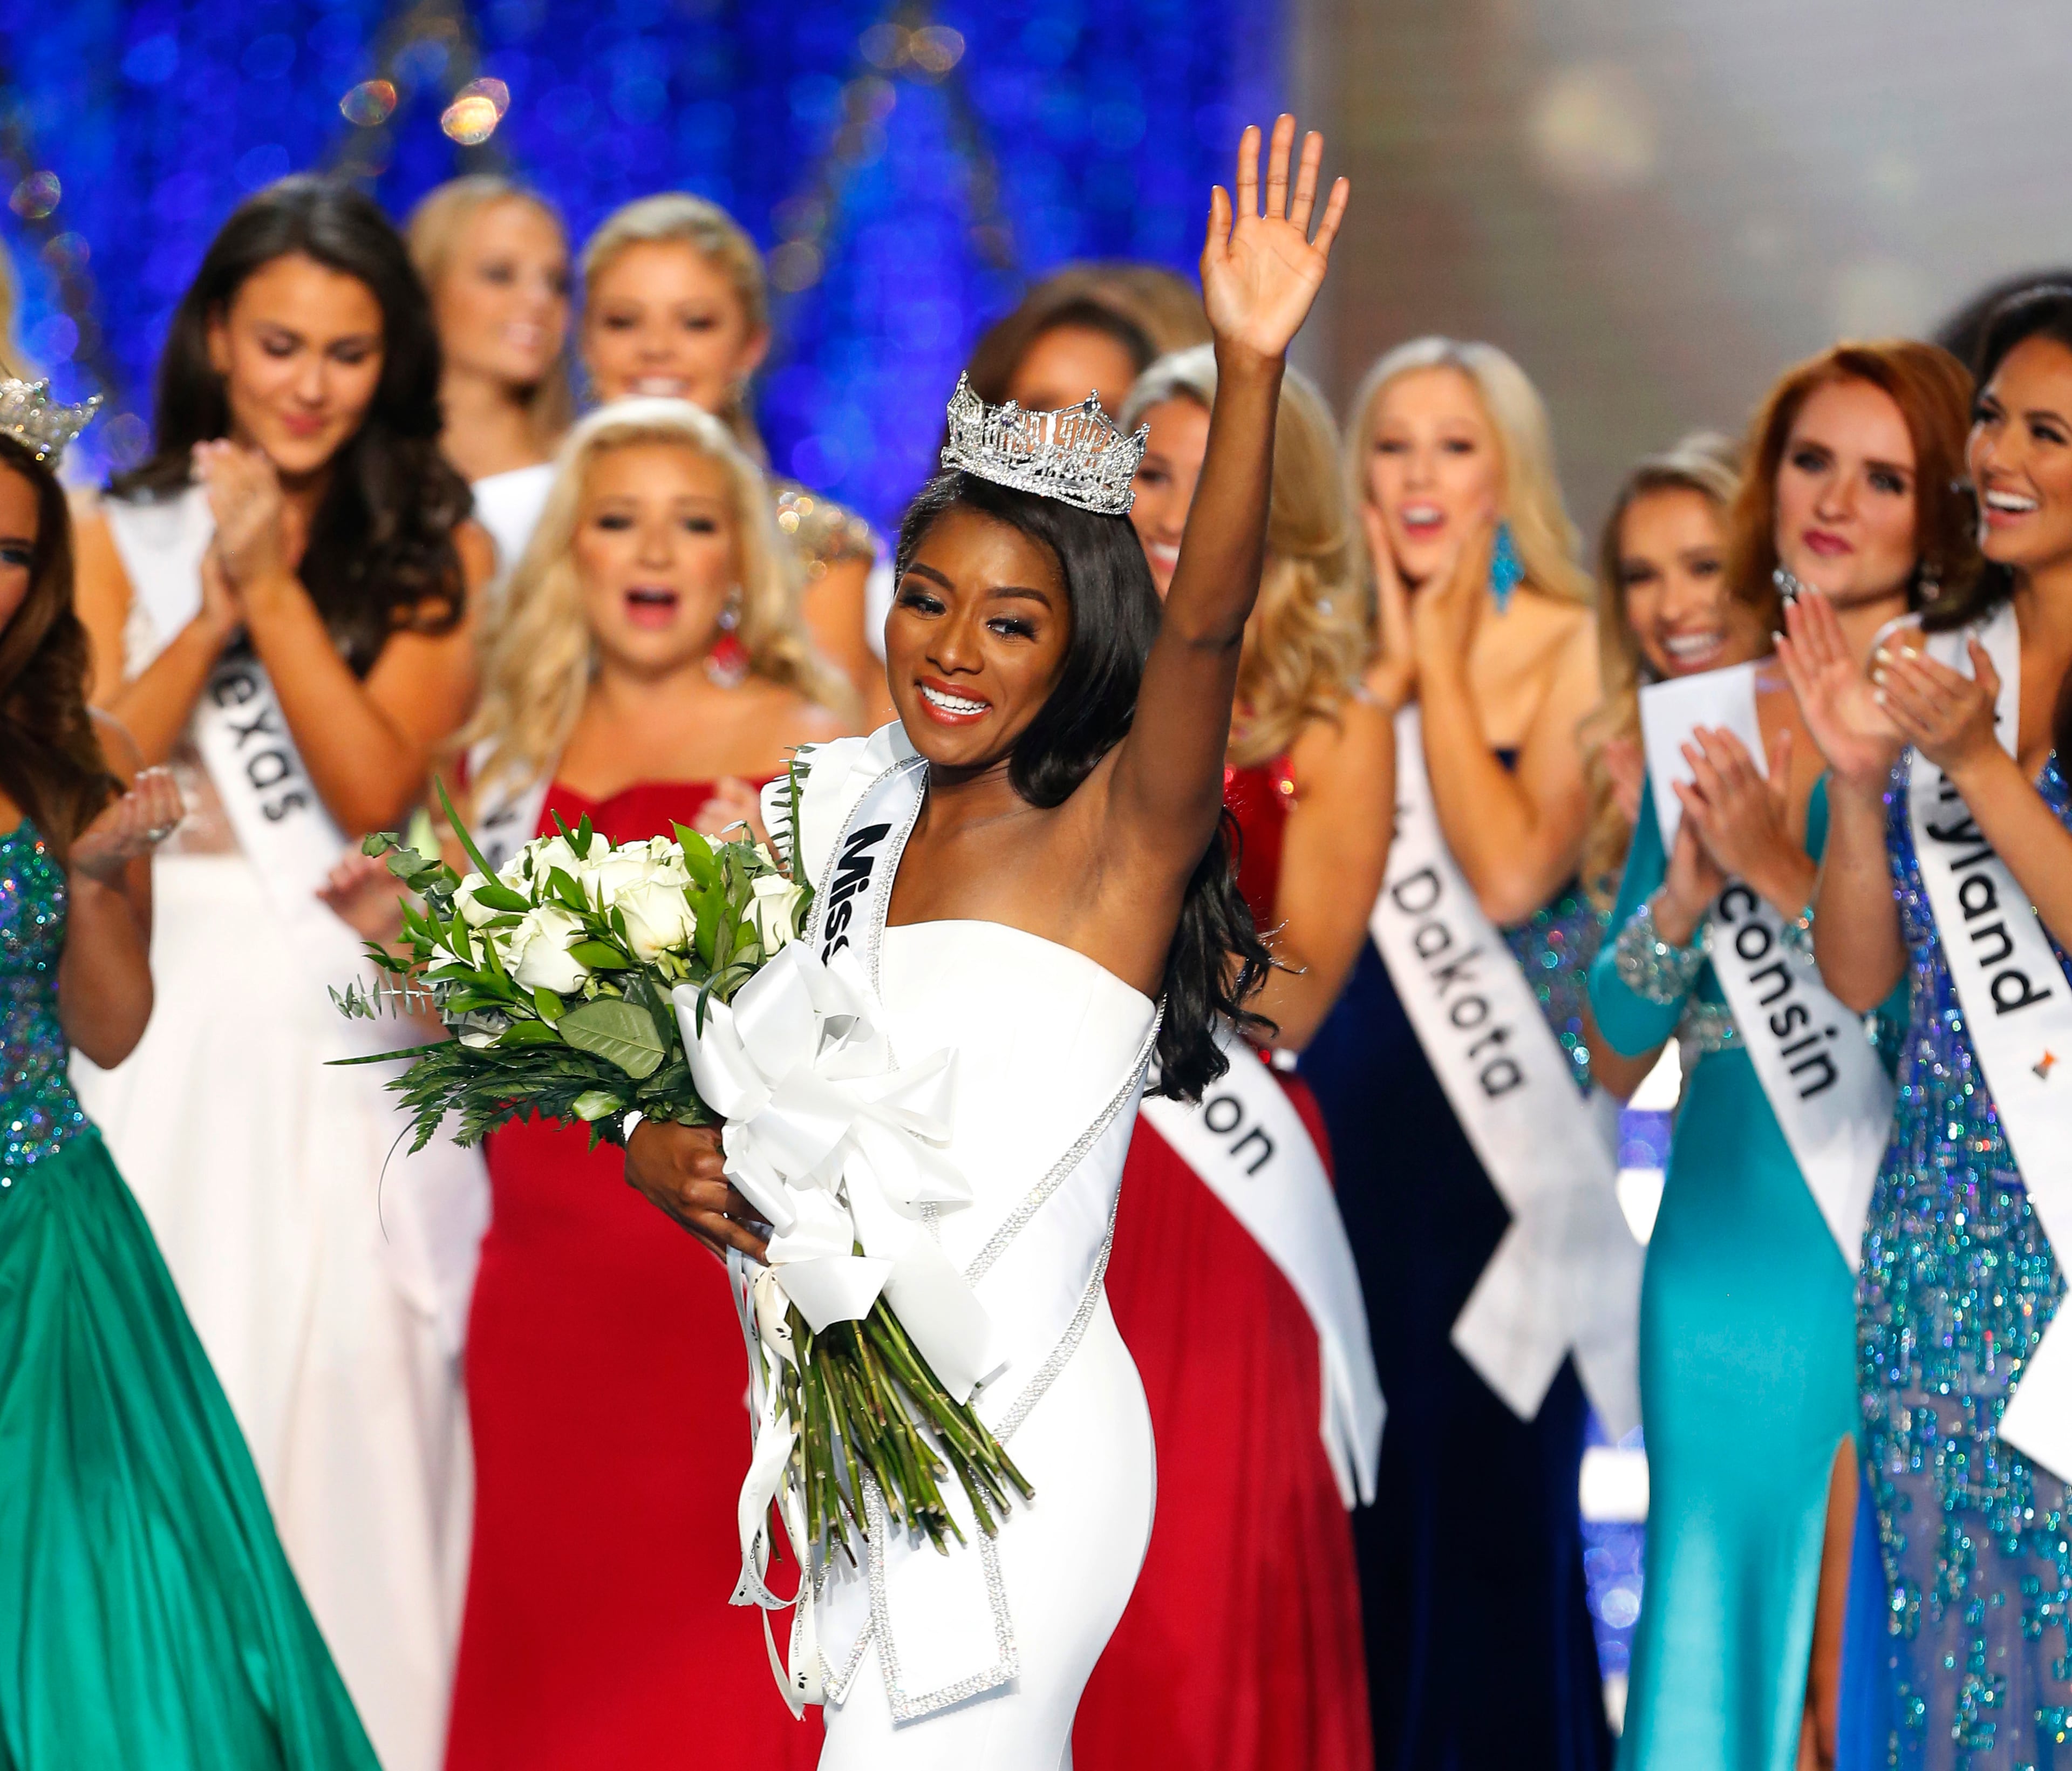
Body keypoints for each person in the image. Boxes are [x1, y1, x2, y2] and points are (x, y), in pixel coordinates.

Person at [621, 115, 1347, 1769]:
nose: (949, 649)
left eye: (1009, 619)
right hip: (855, 1433)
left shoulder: (1120, 828)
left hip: (1022, 1445)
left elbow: (1215, 620)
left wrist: (1243, 368)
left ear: (1077, 635)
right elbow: (762, 1104)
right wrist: (658, 1155)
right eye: (925, 597)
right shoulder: (840, 814)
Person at [68, 176, 495, 1771]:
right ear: (215, 344)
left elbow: (380, 786)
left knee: (351, 1394)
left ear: (391, 363)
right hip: (163, 1020)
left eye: (347, 350)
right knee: (181, 1377)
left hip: (343, 1020)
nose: (308, 383)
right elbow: (92, 755)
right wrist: (216, 588)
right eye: (277, 344)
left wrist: (275, 587)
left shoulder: (434, 542)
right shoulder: (116, 528)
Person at [441, 397, 854, 1769]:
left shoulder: (812, 739)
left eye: (693, 521)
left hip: (721, 1252)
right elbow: (463, 1014)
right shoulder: (493, 755)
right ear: (568, 553)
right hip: (546, 1262)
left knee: (714, 1641)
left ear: (741, 555)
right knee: (557, 1631)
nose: (655, 551)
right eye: (617, 520)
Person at [1584, 350, 1973, 1771]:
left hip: (1908, 1246)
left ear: (1939, 507)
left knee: (1872, 1665)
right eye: (1815, 461)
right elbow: (1615, 1047)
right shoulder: (1702, 717)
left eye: (1884, 477)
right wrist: (1687, 898)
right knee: (1717, 1634)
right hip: (1719, 1265)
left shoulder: (1975, 715)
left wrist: (1784, 866)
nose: (1837, 500)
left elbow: (1959, 1010)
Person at [0, 386, 378, 1769]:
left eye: (10, 553)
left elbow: (111, 1030)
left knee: (99, 1655)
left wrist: (96, 880)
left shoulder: (80, 750)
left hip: (47, 1249)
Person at [1296, 335, 1620, 1770]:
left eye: (1456, 447)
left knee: (1492, 1504)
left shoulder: (1572, 633)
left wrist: (1425, 648)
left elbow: (1503, 874)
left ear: (1512, 473)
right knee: (1355, 1496)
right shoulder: (1316, 646)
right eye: (1393, 446)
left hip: (1501, 1159)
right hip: (1351, 1111)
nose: (1420, 477)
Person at [1073, 342, 1387, 1771]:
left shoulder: (1336, 713)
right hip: (1052, 1162)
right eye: (1151, 469)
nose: (1172, 506)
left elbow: (1298, 989)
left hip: (1214, 1167)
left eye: (1214, 475)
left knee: (1200, 1564)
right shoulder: (1051, 673)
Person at [1783, 289, 2072, 1769]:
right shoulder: (1952, 664)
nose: (1999, 453)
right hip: (1935, 1253)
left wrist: (1978, 767)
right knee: (1961, 1681)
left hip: (2063, 1248)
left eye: (2048, 430)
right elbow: (1858, 976)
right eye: (1996, 418)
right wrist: (1852, 782)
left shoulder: (1971, 712)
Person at [578, 193, 880, 703]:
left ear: (751, 346)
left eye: (695, 322)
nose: (656, 347)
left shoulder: (821, 548)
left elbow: (834, 767)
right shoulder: (520, 525)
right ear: (586, 342)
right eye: (623, 321)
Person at [406, 175, 574, 596]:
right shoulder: (365, 477)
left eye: (556, 283)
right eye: (500, 274)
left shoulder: (586, 488)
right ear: (427, 289)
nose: (538, 300)